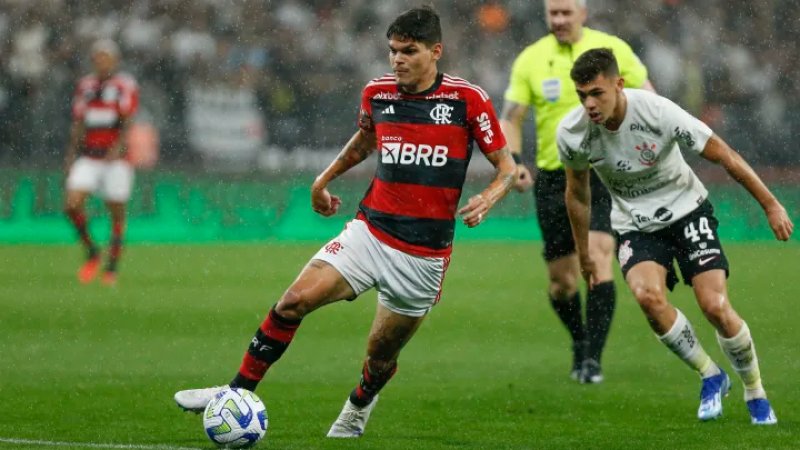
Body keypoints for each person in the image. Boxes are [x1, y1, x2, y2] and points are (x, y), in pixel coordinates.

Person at [174, 6, 516, 438]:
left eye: (408, 51)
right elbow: (366, 139)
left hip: (423, 257)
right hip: (369, 233)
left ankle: (360, 402)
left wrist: (488, 196)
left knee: (379, 354)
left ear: (436, 52)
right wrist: (324, 179)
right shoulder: (378, 93)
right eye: (392, 51)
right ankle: (234, 391)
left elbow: (506, 167)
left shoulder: (467, 100)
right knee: (293, 302)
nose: (397, 60)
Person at [559, 48, 793, 424]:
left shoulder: (657, 111)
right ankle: (710, 374)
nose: (589, 104)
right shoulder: (573, 133)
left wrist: (771, 204)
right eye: (582, 95)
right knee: (648, 298)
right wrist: (584, 251)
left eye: (597, 93)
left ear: (619, 85)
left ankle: (754, 390)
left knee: (714, 306)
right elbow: (578, 194)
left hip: (688, 211)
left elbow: (725, 156)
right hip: (635, 224)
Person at [500, 0, 654, 383]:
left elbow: (649, 98)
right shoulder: (531, 59)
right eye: (553, 13)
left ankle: (593, 362)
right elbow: (511, 118)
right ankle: (581, 342)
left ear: (583, 13)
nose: (559, 20)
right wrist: (515, 160)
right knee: (563, 282)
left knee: (600, 262)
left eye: (567, 12)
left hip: (605, 175)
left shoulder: (611, 50)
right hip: (554, 179)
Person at [63, 39, 139, 286]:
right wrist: (71, 154)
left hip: (116, 160)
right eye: (97, 57)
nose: (101, 61)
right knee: (72, 204)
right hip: (90, 156)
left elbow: (127, 120)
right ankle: (92, 252)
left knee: (116, 213)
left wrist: (117, 148)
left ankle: (112, 267)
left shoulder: (124, 85)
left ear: (115, 60)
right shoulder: (85, 86)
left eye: (105, 57)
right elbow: (79, 122)